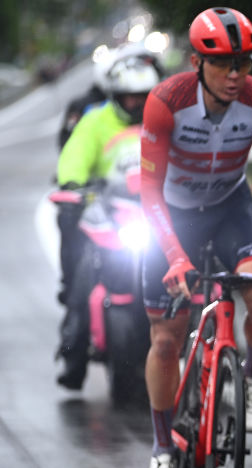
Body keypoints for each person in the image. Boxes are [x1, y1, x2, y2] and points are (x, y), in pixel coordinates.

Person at [139, 7, 252, 468]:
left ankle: (249, 375)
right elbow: (148, 190)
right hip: (174, 214)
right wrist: (174, 256)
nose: (235, 75)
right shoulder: (166, 102)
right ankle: (163, 448)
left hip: (230, 208)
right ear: (197, 62)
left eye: (243, 63)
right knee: (166, 339)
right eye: (223, 64)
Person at [54, 47, 162, 389]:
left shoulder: (164, 121)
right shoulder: (95, 121)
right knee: (82, 281)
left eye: (142, 98)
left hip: (156, 214)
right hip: (109, 216)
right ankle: (73, 355)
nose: (136, 105)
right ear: (115, 96)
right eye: (129, 98)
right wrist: (73, 187)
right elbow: (73, 157)